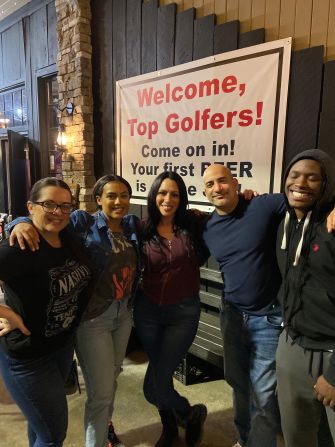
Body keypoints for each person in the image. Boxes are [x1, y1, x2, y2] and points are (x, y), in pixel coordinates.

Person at [7, 174, 141, 447]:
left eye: (124, 195)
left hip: (122, 314)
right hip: (94, 317)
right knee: (100, 393)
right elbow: (36, 221)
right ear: (98, 199)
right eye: (111, 196)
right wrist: (18, 222)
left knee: (111, 381)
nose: (118, 201)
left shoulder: (132, 226)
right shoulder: (83, 222)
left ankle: (104, 431)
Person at [0, 177, 92, 447]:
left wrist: (20, 221)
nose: (58, 212)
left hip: (61, 348)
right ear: (31, 207)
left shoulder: (69, 238)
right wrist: (8, 313)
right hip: (27, 357)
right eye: (49, 204)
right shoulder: (18, 248)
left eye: (65, 206)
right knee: (53, 435)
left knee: (39, 427)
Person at [202, 164, 285, 447]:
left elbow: (305, 197)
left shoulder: (262, 205)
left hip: (268, 318)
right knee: (238, 384)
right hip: (233, 316)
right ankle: (245, 438)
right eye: (210, 185)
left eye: (222, 181)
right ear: (204, 192)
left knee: (263, 394)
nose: (217, 188)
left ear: (236, 183)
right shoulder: (209, 227)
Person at [133, 171, 208, 447]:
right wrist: (21, 221)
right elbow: (97, 224)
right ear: (153, 195)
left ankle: (190, 413)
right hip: (148, 312)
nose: (168, 199)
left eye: (174, 194)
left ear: (182, 198)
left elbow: (231, 214)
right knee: (161, 378)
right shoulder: (140, 228)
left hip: (183, 313)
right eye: (162, 193)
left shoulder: (195, 225)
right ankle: (173, 426)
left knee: (154, 388)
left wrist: (248, 197)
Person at [276, 149, 335, 446]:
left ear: (326, 185)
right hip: (292, 344)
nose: (301, 183)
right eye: (294, 175)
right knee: (296, 437)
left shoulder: (332, 226)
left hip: (331, 352)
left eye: (313, 177)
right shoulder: (286, 221)